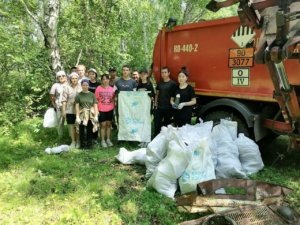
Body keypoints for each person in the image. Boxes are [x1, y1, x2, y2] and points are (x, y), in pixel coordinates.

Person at [153, 66, 177, 136]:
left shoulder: (173, 84)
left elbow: (174, 97)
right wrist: (155, 104)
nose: (163, 74)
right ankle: (155, 139)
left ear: (169, 73)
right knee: (157, 125)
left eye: (165, 72)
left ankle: (164, 140)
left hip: (168, 108)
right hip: (159, 108)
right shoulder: (159, 83)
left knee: (166, 126)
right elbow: (157, 94)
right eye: (162, 72)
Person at [75, 79, 98, 149]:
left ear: (88, 85)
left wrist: (96, 115)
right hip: (82, 113)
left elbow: (95, 105)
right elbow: (77, 106)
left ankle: (89, 144)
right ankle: (82, 145)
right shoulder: (78, 95)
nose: (85, 86)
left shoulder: (92, 95)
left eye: (86, 85)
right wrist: (77, 116)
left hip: (90, 113)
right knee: (81, 129)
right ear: (81, 86)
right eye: (83, 85)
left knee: (90, 129)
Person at [61, 72, 82, 148]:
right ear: (70, 79)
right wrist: (63, 111)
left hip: (79, 110)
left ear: (78, 79)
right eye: (72, 78)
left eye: (76, 78)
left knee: (78, 126)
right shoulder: (66, 87)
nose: (74, 80)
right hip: (69, 110)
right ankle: (73, 141)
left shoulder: (81, 87)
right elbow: (64, 100)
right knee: (71, 126)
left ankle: (79, 141)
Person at [95, 74, 115, 148]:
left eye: (106, 79)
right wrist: (96, 110)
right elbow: (96, 100)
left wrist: (114, 108)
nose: (105, 80)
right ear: (101, 80)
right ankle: (102, 140)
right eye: (103, 79)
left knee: (109, 125)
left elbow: (113, 99)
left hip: (110, 109)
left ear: (109, 80)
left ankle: (108, 139)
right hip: (101, 109)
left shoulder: (112, 89)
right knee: (103, 125)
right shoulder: (98, 88)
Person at [137, 69, 155, 147]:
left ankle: (147, 140)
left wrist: (149, 96)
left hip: (147, 107)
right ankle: (142, 140)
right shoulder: (138, 85)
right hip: (140, 107)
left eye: (144, 74)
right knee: (141, 123)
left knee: (147, 123)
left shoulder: (149, 84)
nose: (143, 76)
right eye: (141, 74)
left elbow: (153, 96)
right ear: (140, 75)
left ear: (147, 75)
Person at [49, 70, 68, 138]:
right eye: (59, 76)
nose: (61, 77)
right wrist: (54, 105)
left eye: (63, 76)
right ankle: (61, 137)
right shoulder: (55, 85)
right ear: (57, 78)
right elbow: (52, 96)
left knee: (71, 122)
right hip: (59, 106)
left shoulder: (69, 84)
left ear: (66, 77)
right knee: (60, 123)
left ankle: (71, 137)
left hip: (69, 107)